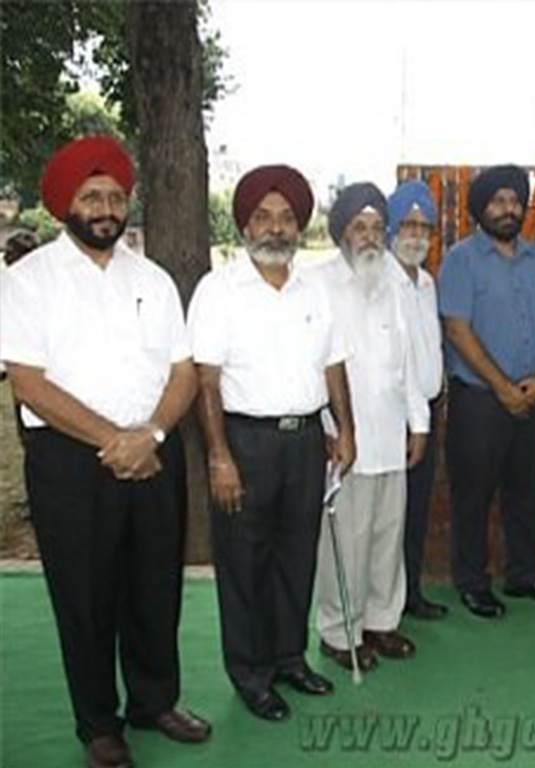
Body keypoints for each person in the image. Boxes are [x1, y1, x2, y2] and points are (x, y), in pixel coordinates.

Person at [0, 136, 209, 768]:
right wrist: (116, 440)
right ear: (67, 202)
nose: (106, 207)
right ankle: (98, 722)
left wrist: (151, 436)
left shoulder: (154, 278)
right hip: (69, 461)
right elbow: (28, 380)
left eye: (116, 196)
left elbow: (184, 372)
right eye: (92, 196)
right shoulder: (28, 279)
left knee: (154, 587)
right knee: (85, 594)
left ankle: (154, 701)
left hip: (154, 450)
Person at [188, 164, 356, 721]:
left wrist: (345, 430)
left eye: (286, 218)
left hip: (306, 443)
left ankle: (290, 658)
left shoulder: (314, 288)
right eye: (263, 217)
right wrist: (218, 456)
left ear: (299, 226)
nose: (276, 228)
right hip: (245, 444)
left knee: (295, 559)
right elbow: (206, 380)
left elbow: (333, 366)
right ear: (245, 224)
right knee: (245, 565)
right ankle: (251, 673)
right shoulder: (219, 290)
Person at [437, 164, 535, 619]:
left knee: (528, 491)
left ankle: (526, 574)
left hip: (533, 398)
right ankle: (473, 582)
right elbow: (456, 329)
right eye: (498, 201)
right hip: (479, 400)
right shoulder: (461, 259)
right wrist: (503, 388)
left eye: (515, 201)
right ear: (481, 209)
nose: (508, 208)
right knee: (473, 496)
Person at [309, 182, 429, 670]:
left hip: (390, 434)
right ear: (341, 231)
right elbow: (313, 362)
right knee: (345, 539)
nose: (369, 236)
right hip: (344, 439)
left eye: (378, 227)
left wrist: (418, 423)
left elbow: (409, 363)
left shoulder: (393, 285)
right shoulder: (317, 283)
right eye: (359, 227)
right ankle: (339, 632)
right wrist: (327, 428)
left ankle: (381, 622)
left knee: (386, 535)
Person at [384, 180, 449, 621]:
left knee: (416, 509)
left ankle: (409, 593)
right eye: (407, 224)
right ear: (391, 228)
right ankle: (384, 601)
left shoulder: (426, 282)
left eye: (424, 226)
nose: (416, 234)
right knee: (388, 517)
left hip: (428, 410)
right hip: (394, 418)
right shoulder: (379, 280)